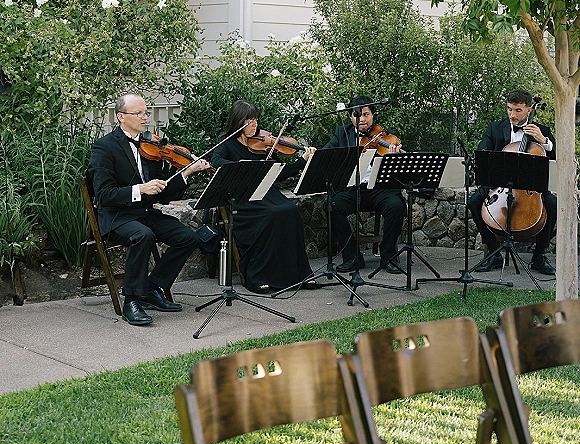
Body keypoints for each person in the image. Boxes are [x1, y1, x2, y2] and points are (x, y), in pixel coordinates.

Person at [88, 93, 212, 326]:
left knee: (187, 237)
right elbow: (104, 195)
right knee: (142, 236)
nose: (146, 117)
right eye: (139, 113)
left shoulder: (151, 146)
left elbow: (162, 191)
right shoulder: (104, 147)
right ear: (121, 117)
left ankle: (152, 288)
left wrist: (186, 172)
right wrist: (141, 189)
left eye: (146, 112)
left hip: (144, 213)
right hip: (117, 217)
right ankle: (131, 301)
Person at [211, 99, 316, 294]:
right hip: (243, 198)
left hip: (267, 193)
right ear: (238, 121)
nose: (254, 125)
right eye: (249, 121)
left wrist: (302, 161)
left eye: (256, 120)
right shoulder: (227, 143)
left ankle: (299, 274)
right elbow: (216, 161)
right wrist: (243, 167)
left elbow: (279, 173)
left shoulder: (264, 144)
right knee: (271, 215)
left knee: (290, 210)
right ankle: (258, 275)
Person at [468, 89, 556, 275]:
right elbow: (483, 153)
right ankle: (493, 253)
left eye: (517, 110)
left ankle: (539, 256)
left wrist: (544, 142)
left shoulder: (542, 131)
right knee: (474, 201)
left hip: (531, 188)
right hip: (498, 186)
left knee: (552, 203)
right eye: (509, 109)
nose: (512, 115)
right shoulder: (495, 128)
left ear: (529, 109)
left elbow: (558, 159)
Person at [323, 95, 406, 274]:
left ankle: (388, 256)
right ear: (350, 117)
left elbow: (399, 172)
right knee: (333, 205)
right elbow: (325, 155)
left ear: (373, 115)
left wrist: (392, 159)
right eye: (356, 115)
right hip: (354, 189)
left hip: (379, 188)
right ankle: (353, 257)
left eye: (366, 114)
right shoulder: (342, 134)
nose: (362, 119)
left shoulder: (386, 136)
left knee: (396, 206)